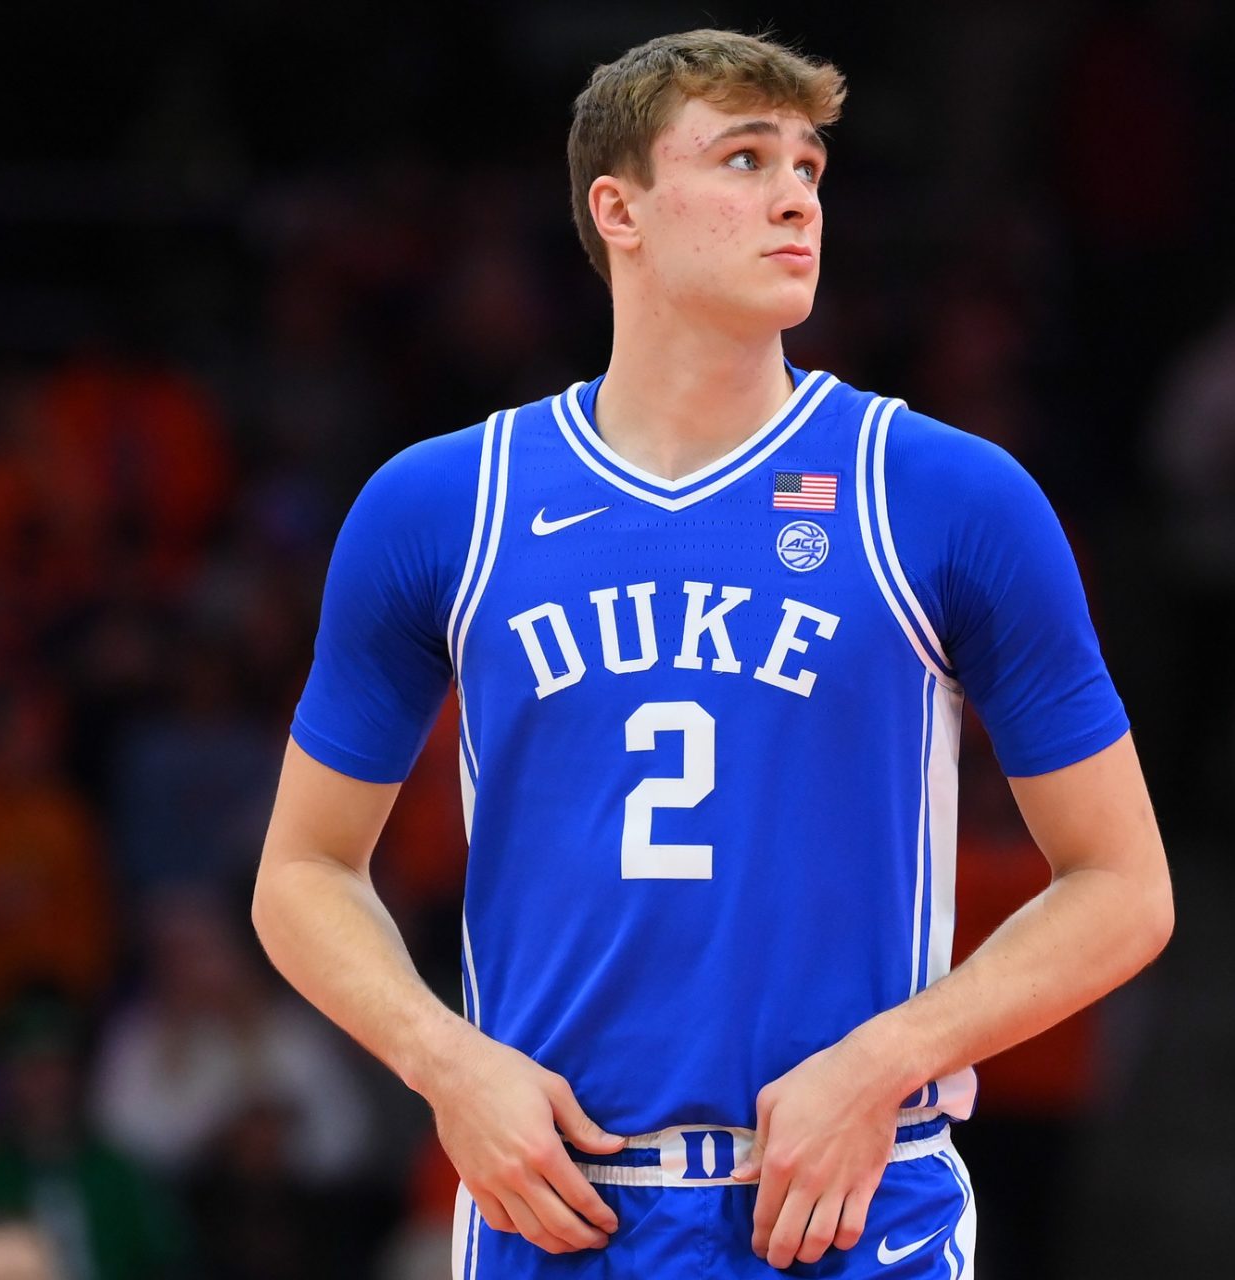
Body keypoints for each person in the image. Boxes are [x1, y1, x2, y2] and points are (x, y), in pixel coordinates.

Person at [251, 28, 1173, 1277]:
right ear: (616, 209)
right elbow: (302, 868)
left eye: (808, 165)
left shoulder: (944, 494)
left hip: (850, 1204)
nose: (794, 193)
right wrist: (445, 1061)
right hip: (555, 1207)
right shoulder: (445, 504)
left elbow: (1124, 883)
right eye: (743, 158)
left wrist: (885, 1058)